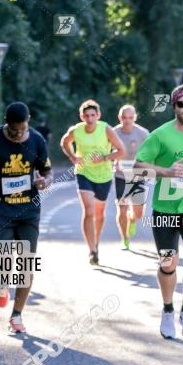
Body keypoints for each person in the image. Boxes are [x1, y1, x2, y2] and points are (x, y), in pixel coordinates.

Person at [0, 102, 52, 334]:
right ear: (7, 123)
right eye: (14, 131)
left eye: (23, 129)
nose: (19, 135)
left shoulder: (36, 140)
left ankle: (16, 315)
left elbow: (47, 172)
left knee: (26, 264)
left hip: (28, 211)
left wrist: (44, 181)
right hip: (0, 209)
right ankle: (2, 281)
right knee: (4, 261)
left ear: (28, 121)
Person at [134, 84, 183, 340]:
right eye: (181, 104)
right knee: (168, 262)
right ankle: (167, 310)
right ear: (174, 107)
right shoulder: (160, 135)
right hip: (165, 208)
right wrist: (165, 171)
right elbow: (138, 167)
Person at [60, 99, 126, 265]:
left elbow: (121, 151)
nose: (89, 119)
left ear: (98, 115)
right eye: (86, 115)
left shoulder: (106, 129)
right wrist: (73, 157)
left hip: (104, 175)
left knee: (99, 213)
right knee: (88, 210)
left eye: (92, 115)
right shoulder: (77, 130)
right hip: (84, 173)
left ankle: (95, 240)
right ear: (82, 116)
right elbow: (64, 142)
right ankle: (92, 250)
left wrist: (104, 157)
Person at [112, 105, 150, 250]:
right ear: (119, 117)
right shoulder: (113, 132)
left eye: (130, 118)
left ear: (134, 118)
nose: (126, 121)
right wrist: (112, 160)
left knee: (138, 213)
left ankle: (132, 219)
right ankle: (125, 238)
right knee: (121, 208)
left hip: (138, 176)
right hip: (121, 176)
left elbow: (153, 151)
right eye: (124, 117)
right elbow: (105, 150)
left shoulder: (143, 133)